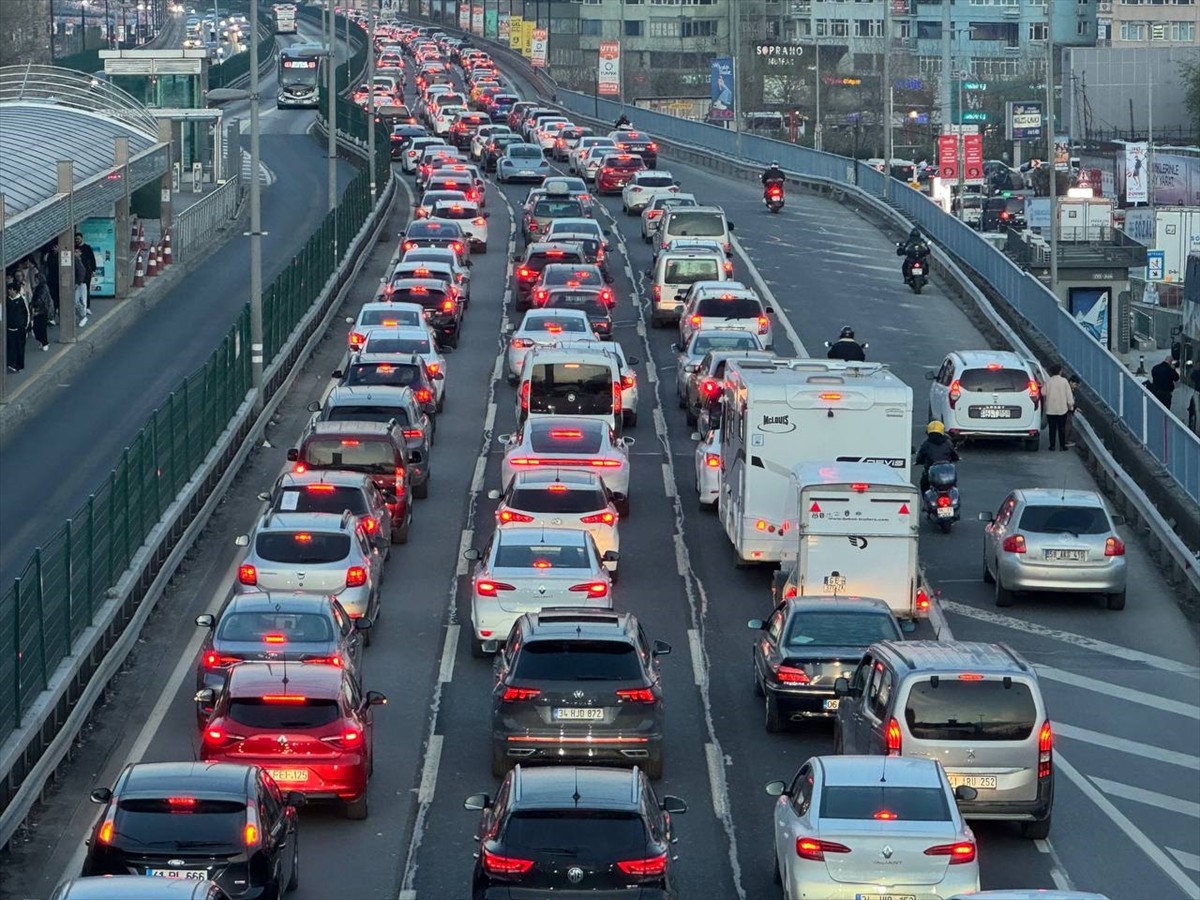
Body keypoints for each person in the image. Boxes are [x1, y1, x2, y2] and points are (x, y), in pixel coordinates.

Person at [914, 420, 959, 493]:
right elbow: (954, 455)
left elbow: (920, 457)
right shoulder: (948, 443)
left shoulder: (926, 444)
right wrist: (956, 458)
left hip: (931, 472)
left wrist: (918, 461)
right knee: (953, 483)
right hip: (946, 472)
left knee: (924, 483)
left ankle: (925, 498)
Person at [1044, 363, 1075, 451]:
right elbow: (1069, 396)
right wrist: (1071, 405)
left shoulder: (1048, 381)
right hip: (1062, 409)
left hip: (1050, 410)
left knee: (1052, 428)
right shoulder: (1064, 381)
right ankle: (1062, 446)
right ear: (1060, 372)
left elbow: (1043, 392)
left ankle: (1052, 446)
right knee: (1062, 428)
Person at [6, 280, 30, 373]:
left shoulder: (22, 300)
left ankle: (19, 365)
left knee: (19, 347)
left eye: (11, 290)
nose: (9, 291)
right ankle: (11, 363)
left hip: (20, 330)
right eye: (9, 290)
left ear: (15, 291)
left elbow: (27, 313)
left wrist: (25, 326)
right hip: (9, 329)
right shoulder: (7, 300)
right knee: (10, 347)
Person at [75, 232, 97, 314]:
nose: (77, 240)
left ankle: (87, 307)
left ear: (81, 238)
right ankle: (79, 307)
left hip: (87, 272)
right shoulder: (73, 247)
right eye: (76, 239)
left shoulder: (87, 248)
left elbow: (92, 259)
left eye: (78, 239)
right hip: (77, 273)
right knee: (77, 291)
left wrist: (93, 270)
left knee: (86, 290)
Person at [1062, 373, 1082, 448]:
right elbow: (1069, 401)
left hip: (1065, 410)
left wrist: (1075, 407)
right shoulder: (1068, 390)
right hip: (1066, 411)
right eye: (1075, 384)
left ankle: (1065, 441)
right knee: (1067, 426)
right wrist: (1074, 408)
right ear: (1070, 382)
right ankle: (1065, 442)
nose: (1076, 386)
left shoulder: (1067, 388)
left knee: (1067, 426)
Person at [73, 248, 90, 327]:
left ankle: (83, 316)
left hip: (80, 283)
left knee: (80, 301)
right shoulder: (75, 259)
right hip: (78, 283)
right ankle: (80, 316)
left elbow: (82, 271)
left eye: (76, 252)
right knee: (76, 301)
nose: (75, 253)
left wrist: (78, 283)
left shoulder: (77, 260)